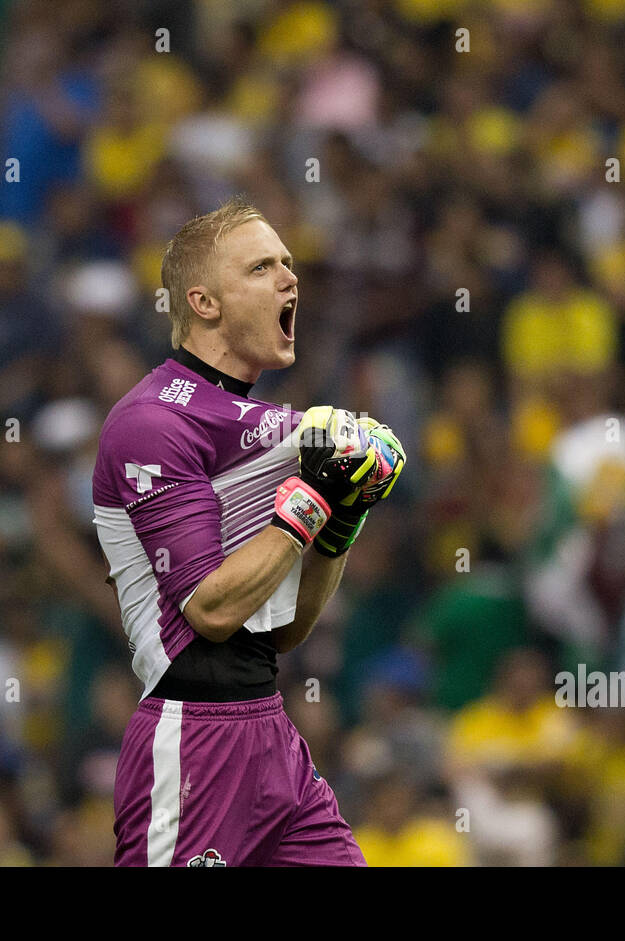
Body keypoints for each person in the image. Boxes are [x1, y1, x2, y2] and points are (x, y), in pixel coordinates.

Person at [91, 197, 406, 866]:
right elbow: (210, 607)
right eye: (263, 267)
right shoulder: (151, 421)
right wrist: (314, 500)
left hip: (270, 733)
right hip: (193, 743)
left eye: (290, 265)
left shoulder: (256, 427)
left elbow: (283, 629)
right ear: (204, 303)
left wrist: (342, 519)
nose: (291, 280)